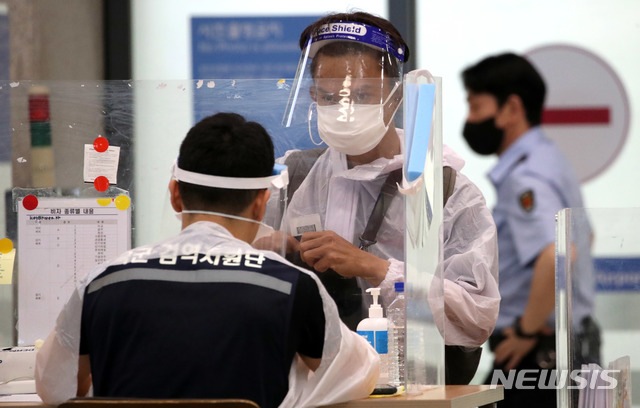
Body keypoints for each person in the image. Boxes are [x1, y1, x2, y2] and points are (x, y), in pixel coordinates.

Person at [35, 113, 379, 408]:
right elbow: (357, 374)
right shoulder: (292, 287)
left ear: (175, 194)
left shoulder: (102, 282)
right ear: (261, 203)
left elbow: (55, 388)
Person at [277, 11, 500, 371]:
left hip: (417, 384)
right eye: (330, 97)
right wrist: (274, 249)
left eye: (362, 95)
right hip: (313, 382)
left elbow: (476, 317)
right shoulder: (294, 177)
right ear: (312, 96)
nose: (345, 109)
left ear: (396, 98)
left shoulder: (443, 189)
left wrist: (377, 268)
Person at [461, 52, 599, 407]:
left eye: (476, 107)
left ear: (512, 108)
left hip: (539, 352)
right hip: (567, 345)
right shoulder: (550, 160)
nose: (471, 119)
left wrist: (524, 331)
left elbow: (559, 252)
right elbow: (587, 236)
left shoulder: (526, 177)